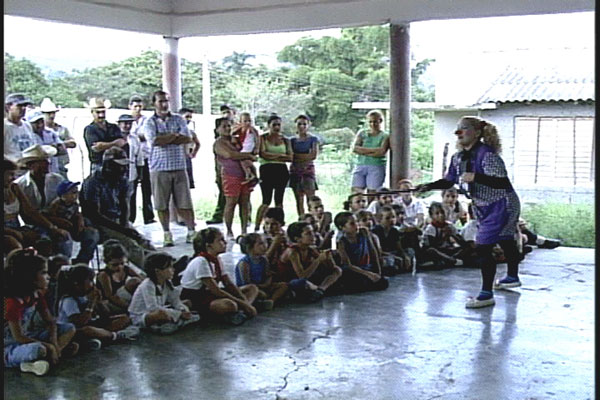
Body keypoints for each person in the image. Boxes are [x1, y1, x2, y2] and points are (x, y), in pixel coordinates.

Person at [416, 116, 522, 308]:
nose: (459, 132)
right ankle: (512, 277)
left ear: (478, 132)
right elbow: (449, 180)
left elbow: (502, 182)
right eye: (458, 129)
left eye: (464, 128)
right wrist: (428, 186)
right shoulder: (458, 158)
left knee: (483, 247)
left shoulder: (488, 155)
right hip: (484, 206)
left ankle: (486, 293)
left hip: (501, 203)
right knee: (505, 239)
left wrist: (476, 177)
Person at [4, 248, 78, 376]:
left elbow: (51, 322)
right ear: (29, 277)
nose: (48, 277)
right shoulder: (12, 302)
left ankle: (50, 357)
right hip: (9, 345)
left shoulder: (36, 296)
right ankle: (39, 357)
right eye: (43, 273)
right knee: (38, 349)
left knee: (69, 328)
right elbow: (18, 337)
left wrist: (54, 344)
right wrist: (48, 346)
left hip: (27, 337)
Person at [80, 146, 156, 270]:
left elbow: (124, 204)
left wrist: (125, 224)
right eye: (120, 165)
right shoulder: (93, 182)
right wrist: (123, 230)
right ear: (108, 165)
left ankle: (165, 265)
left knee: (143, 241)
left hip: (116, 220)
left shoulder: (121, 179)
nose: (124, 169)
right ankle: (153, 271)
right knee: (131, 246)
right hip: (100, 223)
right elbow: (95, 215)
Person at [142, 90, 197, 246]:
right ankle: (167, 233)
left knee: (185, 202)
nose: (164, 104)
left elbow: (187, 138)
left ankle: (191, 231)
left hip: (179, 166)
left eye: (166, 101)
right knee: (161, 204)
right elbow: (154, 141)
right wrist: (174, 136)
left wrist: (166, 137)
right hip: (158, 168)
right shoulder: (149, 122)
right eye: (160, 101)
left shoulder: (179, 119)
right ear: (154, 103)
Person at [179, 228, 259, 325]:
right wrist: (243, 304)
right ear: (209, 245)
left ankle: (242, 310)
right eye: (220, 240)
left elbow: (228, 283)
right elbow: (216, 291)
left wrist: (244, 301)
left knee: (252, 288)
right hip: (196, 297)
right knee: (229, 305)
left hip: (210, 294)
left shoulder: (217, 259)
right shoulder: (201, 262)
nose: (225, 242)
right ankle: (237, 311)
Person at [56, 265, 139, 350]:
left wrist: (99, 302)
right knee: (88, 330)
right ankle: (114, 336)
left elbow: (106, 315)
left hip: (93, 324)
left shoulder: (86, 295)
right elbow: (80, 323)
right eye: (90, 281)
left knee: (125, 318)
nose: (93, 284)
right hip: (76, 331)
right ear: (77, 283)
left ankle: (101, 336)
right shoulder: (69, 300)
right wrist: (91, 303)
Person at [15, 145, 73, 257]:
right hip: (34, 224)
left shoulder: (57, 179)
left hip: (59, 218)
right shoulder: (20, 185)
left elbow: (68, 201)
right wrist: (51, 224)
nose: (48, 163)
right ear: (31, 165)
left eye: (47, 160)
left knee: (84, 235)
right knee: (46, 241)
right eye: (42, 161)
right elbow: (27, 215)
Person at [128, 252, 200, 335]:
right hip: (141, 316)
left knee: (187, 303)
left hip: (160, 309)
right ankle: (174, 323)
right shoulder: (148, 285)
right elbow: (153, 308)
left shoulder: (166, 283)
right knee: (161, 314)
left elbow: (175, 301)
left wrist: (183, 310)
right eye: (169, 267)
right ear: (158, 271)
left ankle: (172, 323)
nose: (173, 270)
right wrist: (179, 314)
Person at [213, 117, 258, 239]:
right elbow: (230, 155)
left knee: (245, 202)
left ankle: (244, 230)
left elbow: (250, 147)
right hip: (230, 175)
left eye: (229, 126)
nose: (227, 128)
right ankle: (229, 230)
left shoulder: (236, 140)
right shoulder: (219, 143)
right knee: (231, 203)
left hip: (244, 175)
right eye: (224, 126)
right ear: (217, 129)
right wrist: (248, 155)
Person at [278, 222, 342, 299]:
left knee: (337, 270)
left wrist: (328, 258)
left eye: (313, 232)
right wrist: (318, 260)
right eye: (308, 233)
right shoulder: (292, 252)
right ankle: (319, 290)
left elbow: (331, 268)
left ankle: (321, 289)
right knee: (301, 283)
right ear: (297, 238)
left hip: (309, 280)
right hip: (292, 282)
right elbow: (302, 276)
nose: (313, 235)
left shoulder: (310, 249)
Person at [44, 180, 100, 265]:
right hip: (60, 229)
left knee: (92, 234)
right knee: (65, 239)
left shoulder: (75, 205)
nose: (76, 195)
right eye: (73, 192)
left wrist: (80, 221)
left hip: (73, 227)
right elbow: (49, 216)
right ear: (63, 195)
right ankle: (64, 263)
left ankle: (82, 261)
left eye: (77, 192)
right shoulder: (56, 205)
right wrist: (60, 222)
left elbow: (77, 214)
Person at [254, 115, 293, 232]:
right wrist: (281, 156)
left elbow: (290, 157)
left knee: (279, 200)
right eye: (274, 125)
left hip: (281, 170)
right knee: (266, 200)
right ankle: (257, 225)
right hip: (267, 170)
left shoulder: (286, 140)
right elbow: (262, 154)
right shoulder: (263, 138)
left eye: (279, 125)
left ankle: (278, 224)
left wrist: (273, 156)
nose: (277, 127)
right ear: (268, 125)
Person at [334, 212, 389, 293]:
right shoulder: (340, 242)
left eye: (356, 222)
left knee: (383, 282)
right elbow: (348, 265)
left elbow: (373, 251)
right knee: (355, 280)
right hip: (354, 271)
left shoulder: (364, 232)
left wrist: (378, 271)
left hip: (367, 267)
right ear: (342, 227)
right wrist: (368, 274)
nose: (357, 225)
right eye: (352, 224)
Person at [235, 233, 289, 306]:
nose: (265, 246)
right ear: (249, 247)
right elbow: (246, 283)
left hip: (262, 286)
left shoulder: (264, 260)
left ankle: (270, 301)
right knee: (259, 293)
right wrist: (262, 286)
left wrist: (267, 283)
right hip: (249, 289)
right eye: (260, 244)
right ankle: (260, 301)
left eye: (265, 243)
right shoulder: (244, 263)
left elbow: (267, 275)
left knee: (283, 285)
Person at [96, 240, 144, 315]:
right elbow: (110, 296)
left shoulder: (126, 268)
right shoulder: (104, 275)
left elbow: (141, 280)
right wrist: (129, 307)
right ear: (106, 262)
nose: (119, 267)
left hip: (123, 296)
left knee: (136, 281)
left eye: (122, 263)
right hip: (110, 301)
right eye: (115, 265)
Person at [129, 95, 156, 224]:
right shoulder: (127, 120)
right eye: (135, 106)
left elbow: (148, 136)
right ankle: (130, 217)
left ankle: (149, 216)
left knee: (147, 189)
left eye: (140, 106)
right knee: (131, 189)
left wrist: (139, 136)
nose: (138, 109)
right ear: (130, 107)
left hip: (146, 157)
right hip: (132, 160)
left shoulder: (147, 120)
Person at [351, 110, 390, 194]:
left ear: (380, 121)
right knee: (356, 191)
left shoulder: (385, 135)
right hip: (360, 164)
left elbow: (381, 152)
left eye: (375, 122)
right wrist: (373, 150)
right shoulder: (362, 133)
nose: (373, 124)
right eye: (370, 122)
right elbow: (355, 149)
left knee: (373, 192)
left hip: (376, 166)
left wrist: (363, 150)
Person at [83, 97, 125, 174]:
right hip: (98, 165)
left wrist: (104, 145)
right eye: (98, 112)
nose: (101, 115)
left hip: (115, 164)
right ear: (92, 112)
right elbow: (96, 148)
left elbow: (122, 142)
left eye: (103, 112)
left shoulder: (114, 127)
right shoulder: (89, 129)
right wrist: (114, 144)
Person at [117, 114, 145, 224]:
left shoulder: (134, 138)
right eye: (124, 123)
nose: (127, 125)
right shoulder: (115, 138)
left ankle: (130, 221)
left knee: (131, 199)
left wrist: (140, 173)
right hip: (118, 174)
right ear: (119, 124)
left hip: (131, 174)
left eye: (129, 123)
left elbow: (139, 157)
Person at [420, 202, 466, 269]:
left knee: (466, 248)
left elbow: (462, 242)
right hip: (437, 252)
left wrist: (452, 235)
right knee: (431, 250)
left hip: (447, 250)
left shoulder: (449, 226)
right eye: (437, 214)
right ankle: (452, 260)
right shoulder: (431, 228)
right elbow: (429, 246)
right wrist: (444, 237)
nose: (441, 215)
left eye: (442, 213)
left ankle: (447, 260)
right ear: (432, 216)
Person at [290, 115, 320, 217]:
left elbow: (313, 155)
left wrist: (297, 157)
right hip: (295, 171)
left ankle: (313, 219)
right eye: (299, 124)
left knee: (311, 198)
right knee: (299, 199)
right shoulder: (292, 140)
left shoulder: (313, 139)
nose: (302, 126)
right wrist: (305, 157)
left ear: (308, 125)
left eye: (304, 124)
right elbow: (290, 156)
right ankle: (302, 219)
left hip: (308, 171)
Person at [41, 98, 76, 180]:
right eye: (49, 113)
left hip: (62, 164)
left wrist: (60, 144)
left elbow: (73, 143)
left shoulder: (62, 129)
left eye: (53, 113)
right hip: (48, 167)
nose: (52, 116)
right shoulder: (41, 132)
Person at [371, 205, 412, 275]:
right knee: (389, 261)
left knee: (410, 251)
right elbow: (378, 251)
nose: (391, 220)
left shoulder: (394, 231)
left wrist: (405, 256)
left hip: (392, 252)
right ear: (379, 220)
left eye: (393, 217)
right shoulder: (376, 231)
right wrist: (394, 257)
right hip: (383, 254)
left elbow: (399, 247)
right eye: (387, 218)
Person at [25, 109, 65, 174]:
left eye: (41, 122)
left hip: (54, 170)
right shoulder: (27, 136)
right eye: (36, 123)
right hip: (37, 173)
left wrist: (54, 148)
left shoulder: (51, 132)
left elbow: (62, 149)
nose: (40, 125)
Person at [4, 93, 35, 164]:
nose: (23, 108)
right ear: (8, 107)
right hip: (12, 169)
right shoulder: (5, 126)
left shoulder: (27, 125)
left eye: (25, 106)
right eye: (19, 106)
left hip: (27, 168)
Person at [231, 111, 260, 184]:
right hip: (243, 147)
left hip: (249, 146)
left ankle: (248, 174)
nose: (247, 123)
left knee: (242, 159)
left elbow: (257, 138)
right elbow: (232, 134)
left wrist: (257, 147)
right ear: (240, 122)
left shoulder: (252, 130)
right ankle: (252, 175)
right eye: (245, 121)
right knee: (245, 161)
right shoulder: (238, 130)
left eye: (249, 121)